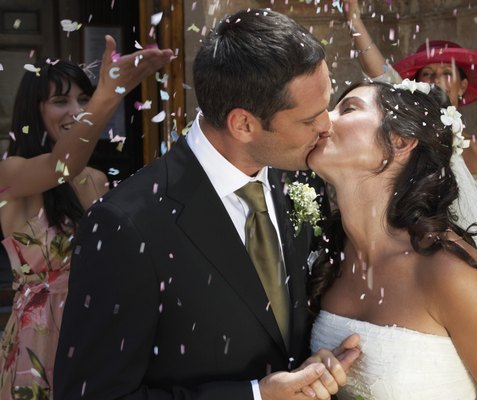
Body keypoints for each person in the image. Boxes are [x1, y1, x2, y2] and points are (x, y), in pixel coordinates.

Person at [54, 9, 358, 400]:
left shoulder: (301, 178)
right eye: (309, 119)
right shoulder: (124, 225)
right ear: (243, 124)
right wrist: (254, 396)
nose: (327, 126)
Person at [307, 80, 477, 399]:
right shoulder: (328, 256)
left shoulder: (449, 270)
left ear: (400, 140)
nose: (323, 119)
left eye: (347, 109)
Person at [0, 40, 173, 399]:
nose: (76, 111)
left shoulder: (96, 178)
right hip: (41, 338)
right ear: (33, 111)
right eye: (61, 101)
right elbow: (60, 166)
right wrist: (107, 97)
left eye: (84, 99)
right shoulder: (10, 174)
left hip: (95, 327)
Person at [342, 0, 477, 290]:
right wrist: (355, 20)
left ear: (463, 86)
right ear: (416, 85)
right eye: (427, 74)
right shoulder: (410, 137)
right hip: (420, 264)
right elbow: (380, 74)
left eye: (447, 73)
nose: (437, 81)